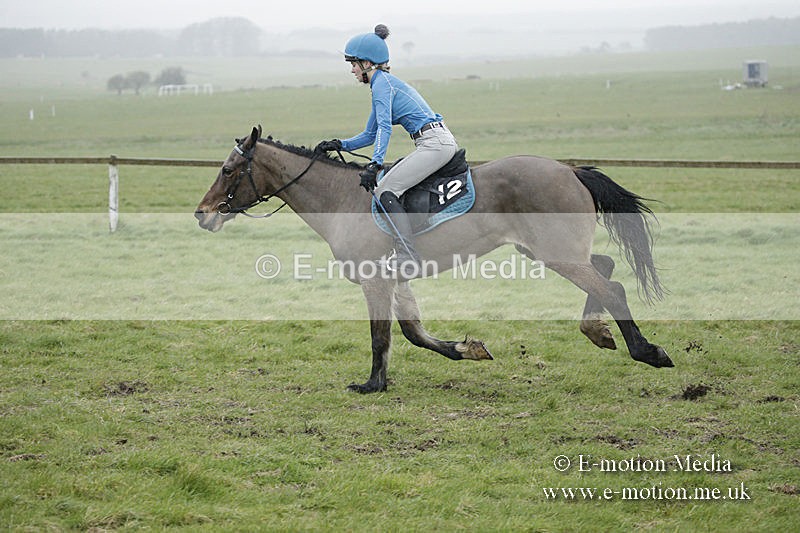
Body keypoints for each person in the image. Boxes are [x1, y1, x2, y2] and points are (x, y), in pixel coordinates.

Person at [316, 24, 458, 279]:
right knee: (388, 184)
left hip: (434, 143)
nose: (351, 70)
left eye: (353, 64)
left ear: (367, 63)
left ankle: (407, 256)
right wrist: (340, 144)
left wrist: (374, 164)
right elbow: (370, 134)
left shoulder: (382, 86)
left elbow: (384, 128)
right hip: (434, 141)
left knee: (385, 190)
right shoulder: (382, 84)